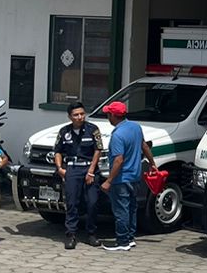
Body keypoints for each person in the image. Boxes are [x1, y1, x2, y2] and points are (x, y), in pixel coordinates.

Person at [99, 101, 154, 252]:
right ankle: (130, 238)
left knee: (121, 210)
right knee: (131, 208)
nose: (107, 117)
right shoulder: (136, 127)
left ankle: (122, 241)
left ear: (113, 116)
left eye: (108, 114)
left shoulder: (117, 135)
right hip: (135, 176)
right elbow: (144, 146)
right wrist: (152, 163)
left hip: (121, 179)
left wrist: (109, 181)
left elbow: (118, 160)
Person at [53, 102, 104, 250]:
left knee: (92, 202)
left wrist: (91, 171)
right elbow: (57, 151)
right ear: (70, 117)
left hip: (89, 168)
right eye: (76, 115)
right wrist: (59, 168)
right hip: (72, 169)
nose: (80, 117)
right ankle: (71, 235)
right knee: (72, 203)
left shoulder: (92, 129)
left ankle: (92, 233)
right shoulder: (64, 131)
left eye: (82, 113)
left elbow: (98, 150)